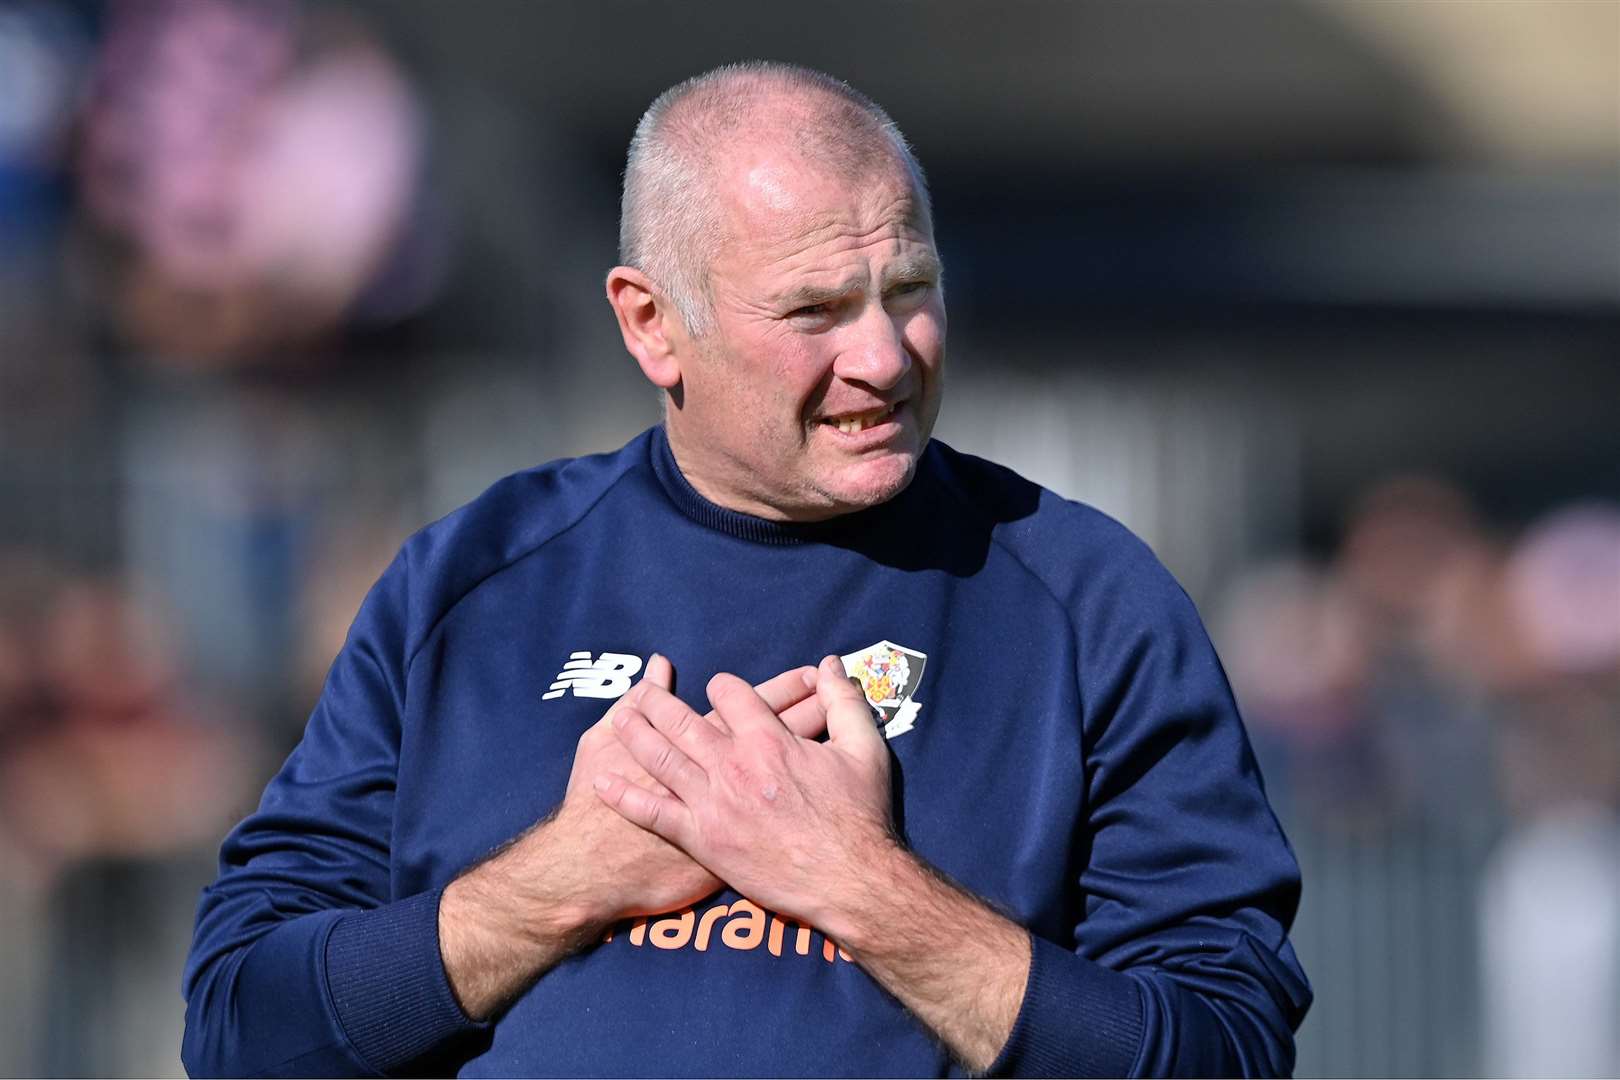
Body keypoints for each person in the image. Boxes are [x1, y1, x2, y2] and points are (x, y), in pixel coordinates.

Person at [181, 62, 1311, 1077]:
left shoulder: (1090, 603)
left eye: (909, 292)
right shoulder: (467, 588)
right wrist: (559, 885)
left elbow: (1224, 1049)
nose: (881, 357)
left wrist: (857, 886)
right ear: (653, 326)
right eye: (814, 310)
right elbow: (241, 1028)